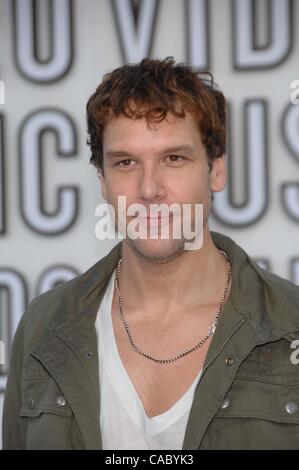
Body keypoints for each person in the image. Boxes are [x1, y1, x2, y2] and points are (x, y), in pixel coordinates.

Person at [3, 57, 299, 450]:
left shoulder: (290, 325)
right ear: (103, 183)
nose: (149, 189)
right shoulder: (43, 329)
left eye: (173, 158)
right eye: (125, 163)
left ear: (216, 170)